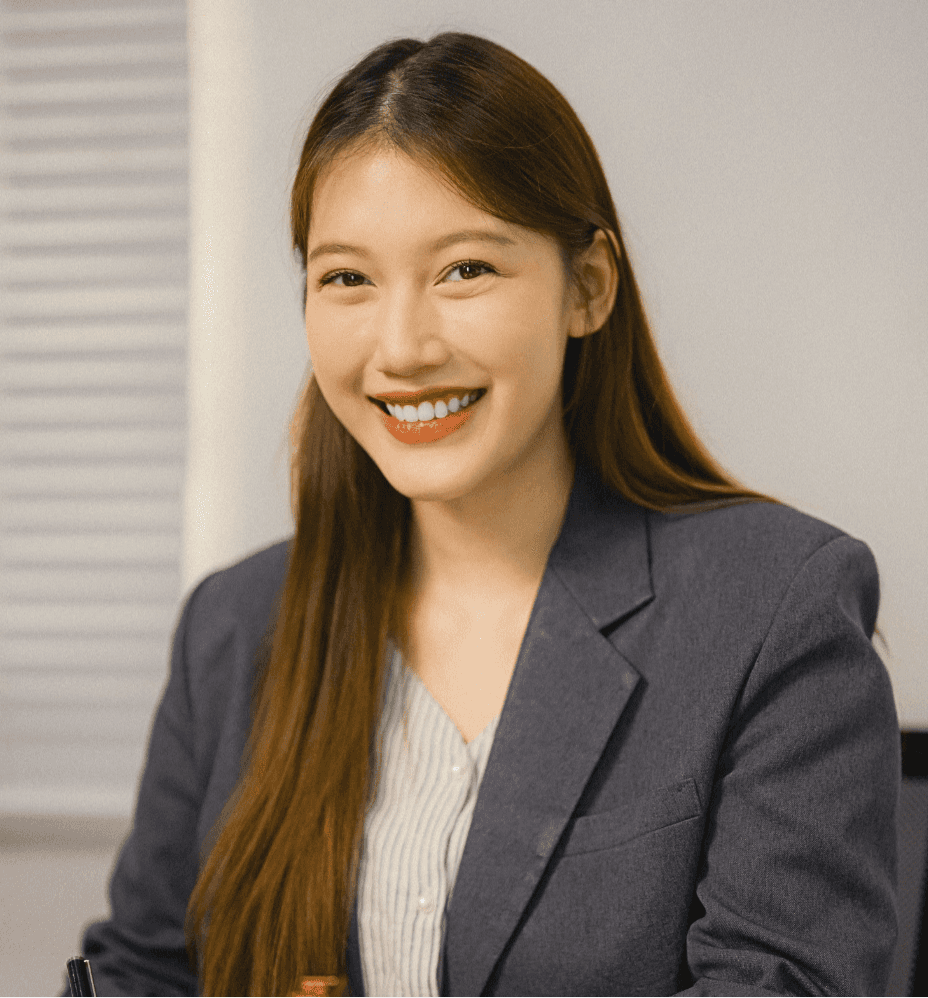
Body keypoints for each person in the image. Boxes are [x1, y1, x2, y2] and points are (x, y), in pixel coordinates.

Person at [77, 32, 898, 997]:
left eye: (465, 270)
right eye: (347, 277)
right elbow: (141, 972)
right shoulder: (231, 626)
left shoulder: (772, 610)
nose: (402, 347)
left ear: (587, 287)